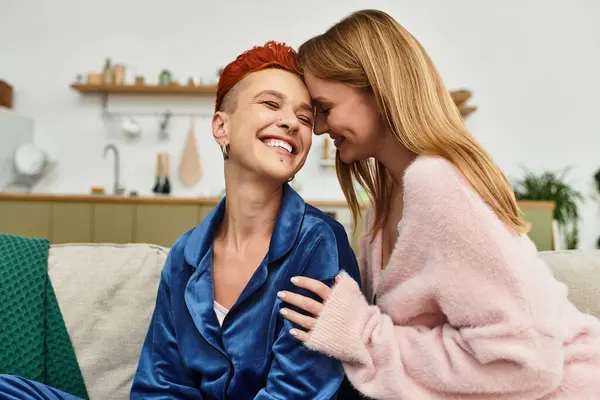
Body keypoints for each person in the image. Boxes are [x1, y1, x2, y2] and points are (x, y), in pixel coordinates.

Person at [0, 41, 361, 399]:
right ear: (221, 127)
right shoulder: (185, 255)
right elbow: (161, 384)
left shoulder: (318, 242)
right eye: (270, 103)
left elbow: (298, 391)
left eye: (304, 117)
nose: (290, 122)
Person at [277, 9, 600, 400]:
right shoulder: (385, 205)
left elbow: (524, 360)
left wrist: (362, 332)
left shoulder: (438, 185)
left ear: (377, 94)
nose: (321, 127)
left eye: (325, 108)